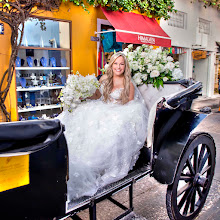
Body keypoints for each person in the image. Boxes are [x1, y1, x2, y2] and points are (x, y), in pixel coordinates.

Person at [58, 52, 148, 201]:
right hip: (102, 107)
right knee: (83, 114)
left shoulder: (128, 84)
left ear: (125, 66)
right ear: (111, 65)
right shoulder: (105, 78)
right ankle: (68, 154)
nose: (118, 67)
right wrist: (82, 94)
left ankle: (94, 163)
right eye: (115, 64)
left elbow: (130, 106)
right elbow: (98, 96)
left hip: (119, 111)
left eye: (121, 64)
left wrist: (113, 111)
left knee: (108, 127)